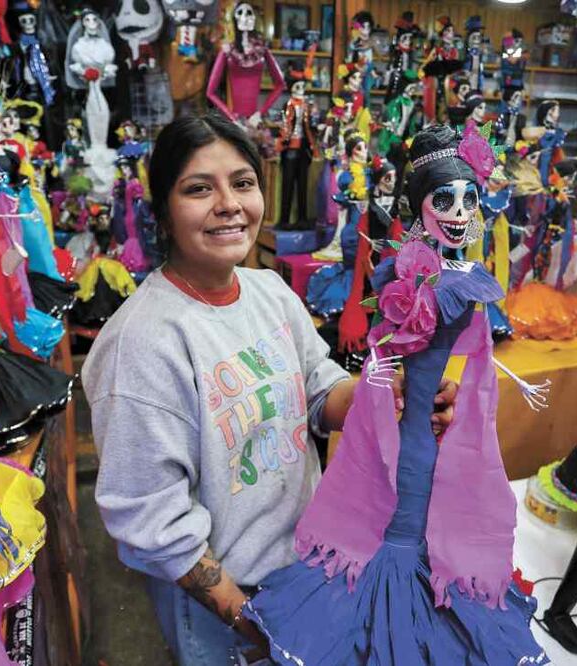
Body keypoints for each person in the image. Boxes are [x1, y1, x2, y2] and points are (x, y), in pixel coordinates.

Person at [82, 113, 458, 663]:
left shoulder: (268, 292)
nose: (229, 203)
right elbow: (151, 522)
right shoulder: (142, 344)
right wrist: (253, 625)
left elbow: (314, 391)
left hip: (307, 568)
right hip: (225, 605)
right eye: (197, 189)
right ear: (162, 208)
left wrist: (394, 396)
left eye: (242, 182)